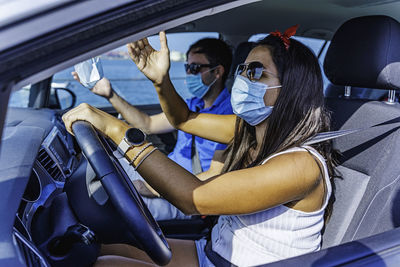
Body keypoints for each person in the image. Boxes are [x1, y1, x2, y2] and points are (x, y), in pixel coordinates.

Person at [63, 26, 336, 266]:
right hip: (214, 252)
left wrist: (114, 127)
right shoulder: (248, 131)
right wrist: (160, 80)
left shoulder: (301, 165)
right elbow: (183, 118)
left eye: (255, 72)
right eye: (242, 69)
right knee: (92, 252)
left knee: (104, 266)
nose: (242, 79)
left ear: (291, 89)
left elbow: (194, 198)